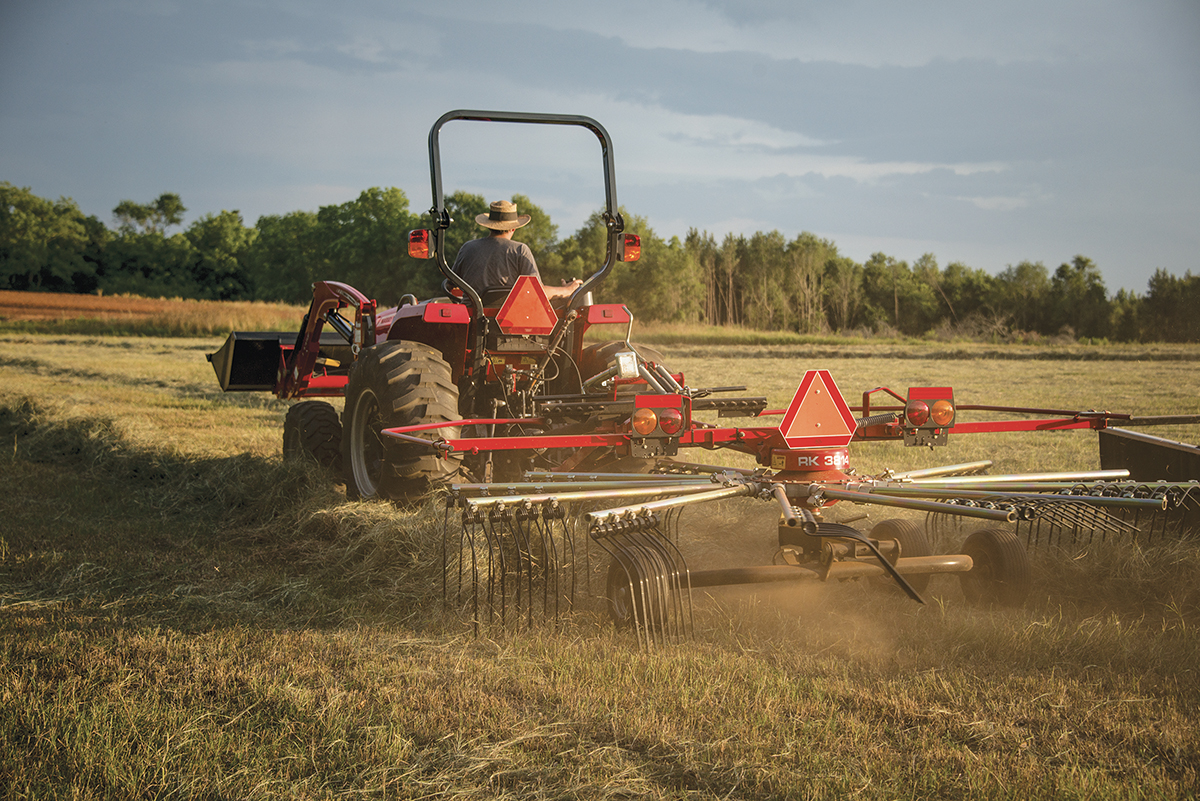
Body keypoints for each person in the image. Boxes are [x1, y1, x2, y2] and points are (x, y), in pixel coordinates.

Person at [452, 200, 582, 302]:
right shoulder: (520, 250)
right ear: (513, 228)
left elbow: (450, 284)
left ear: (489, 226)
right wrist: (568, 290)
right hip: (507, 323)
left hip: (472, 320)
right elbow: (537, 293)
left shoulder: (468, 248)